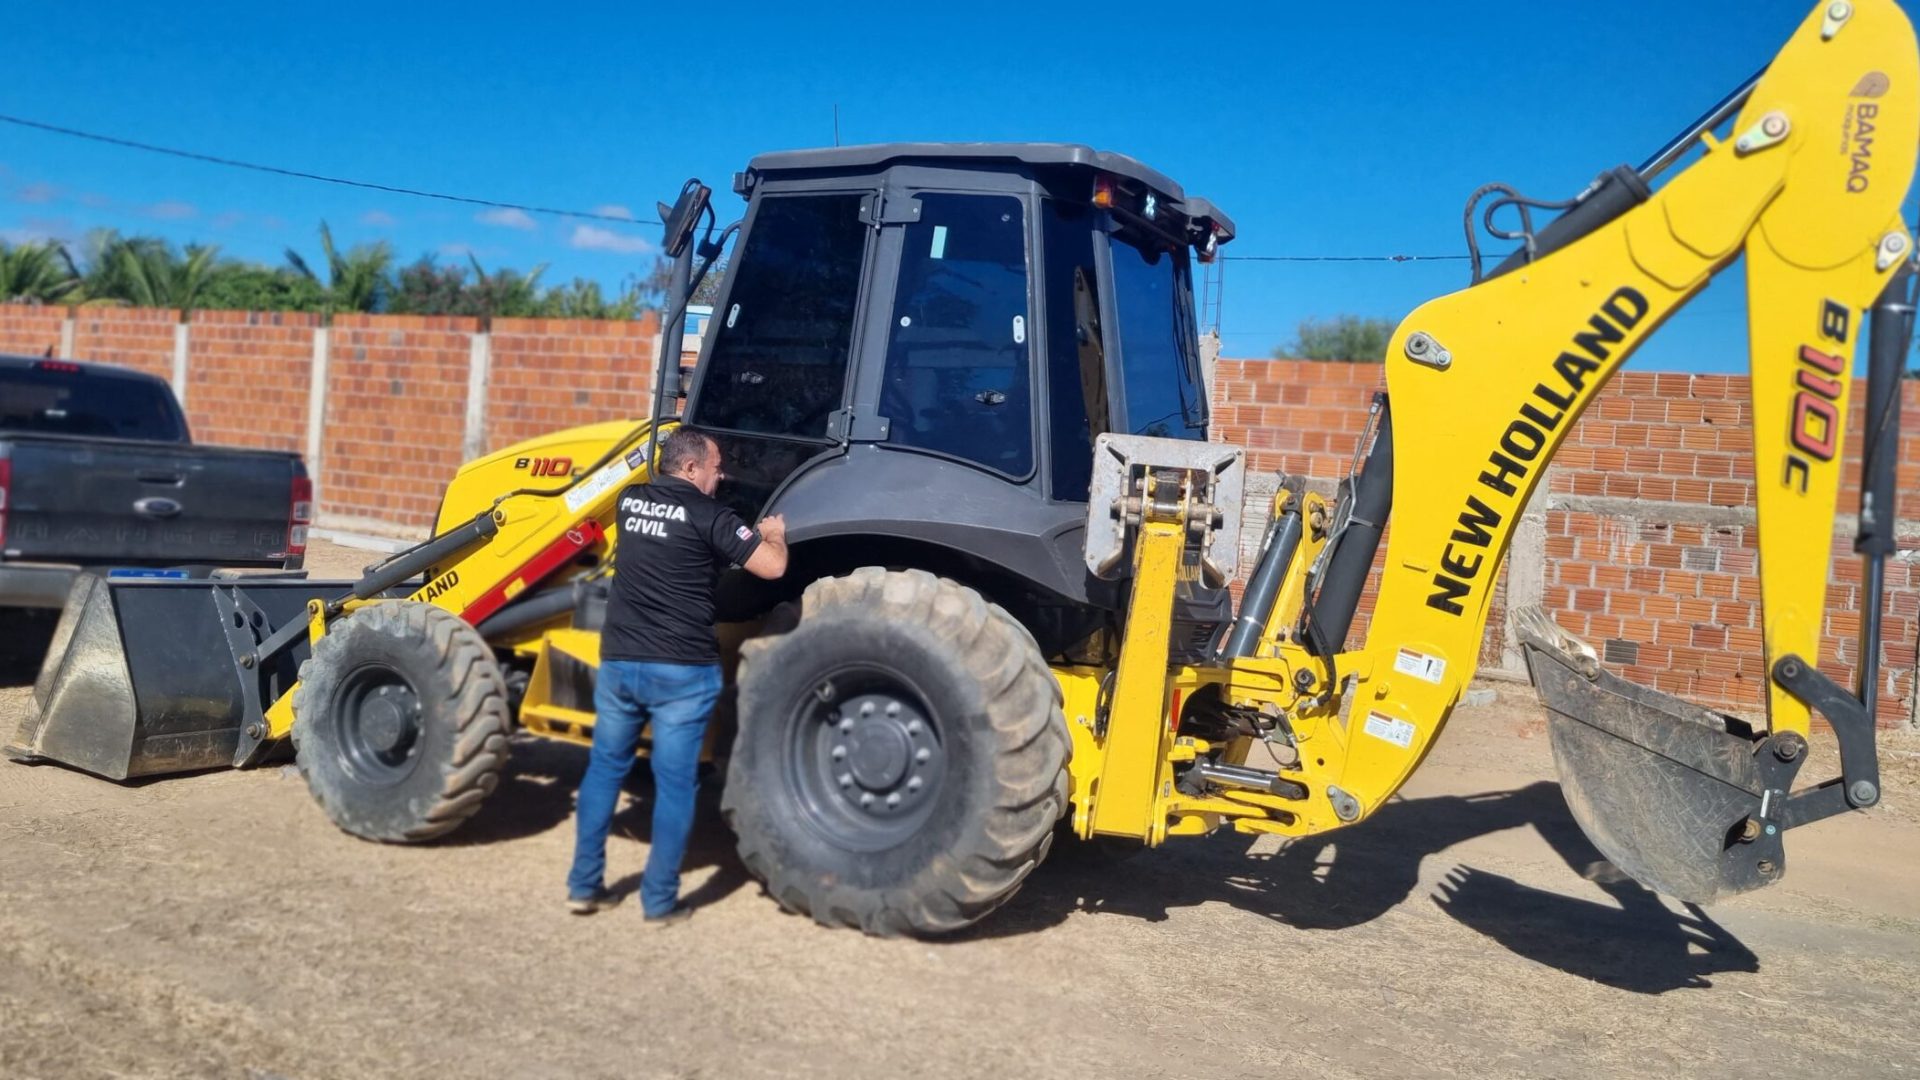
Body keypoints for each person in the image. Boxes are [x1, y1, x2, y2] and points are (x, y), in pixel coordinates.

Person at [566, 427, 787, 925]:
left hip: (622, 662)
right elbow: (771, 568)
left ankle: (583, 887)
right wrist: (771, 532)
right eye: (715, 466)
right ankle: (659, 901)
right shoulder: (712, 516)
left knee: (604, 771)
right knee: (675, 786)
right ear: (691, 469)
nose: (721, 473)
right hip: (681, 673)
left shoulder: (629, 501)